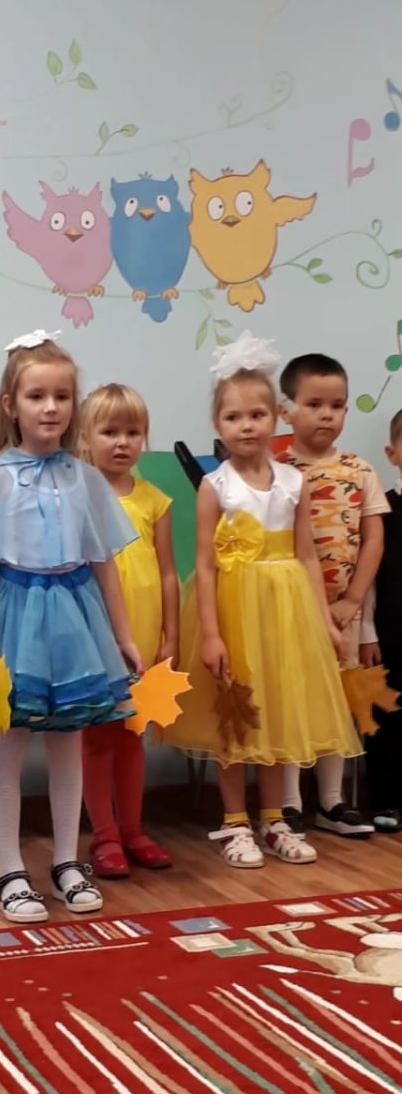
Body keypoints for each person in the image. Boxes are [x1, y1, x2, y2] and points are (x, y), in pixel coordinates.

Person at [0, 330, 143, 922]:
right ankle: (9, 868)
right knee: (10, 739)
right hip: (16, 619)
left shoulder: (85, 477)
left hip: (75, 622)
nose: (50, 407)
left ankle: (67, 861)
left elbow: (103, 562)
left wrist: (123, 635)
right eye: (36, 396)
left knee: (68, 743)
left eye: (62, 396)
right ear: (11, 405)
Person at [166, 331, 361, 868]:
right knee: (236, 718)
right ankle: (235, 823)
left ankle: (274, 820)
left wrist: (323, 621)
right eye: (233, 417)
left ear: (276, 417)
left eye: (256, 415)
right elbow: (205, 563)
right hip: (234, 613)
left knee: (276, 715)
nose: (246, 426)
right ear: (217, 425)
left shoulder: (294, 482)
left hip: (286, 614)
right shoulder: (216, 487)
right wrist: (210, 634)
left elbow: (306, 556)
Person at [277, 353, 387, 837]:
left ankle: (331, 801)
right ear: (286, 410)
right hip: (291, 611)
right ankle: (286, 803)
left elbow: (373, 540)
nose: (327, 415)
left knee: (334, 701)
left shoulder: (359, 470)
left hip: (343, 612)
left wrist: (353, 601)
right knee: (291, 700)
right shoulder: (276, 471)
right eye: (314, 404)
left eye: (337, 406)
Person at [79, 383, 178, 877]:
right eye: (110, 431)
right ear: (85, 437)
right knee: (98, 737)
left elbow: (167, 573)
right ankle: (104, 835)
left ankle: (133, 829)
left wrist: (170, 635)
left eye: (133, 432)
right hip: (96, 636)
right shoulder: (79, 497)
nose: (122, 442)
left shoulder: (155, 501)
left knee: (132, 734)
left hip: (144, 632)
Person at [359, 408, 402, 832]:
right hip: (391, 631)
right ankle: (387, 799)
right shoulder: (382, 512)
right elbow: (368, 578)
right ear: (392, 454)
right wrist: (367, 632)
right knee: (386, 716)